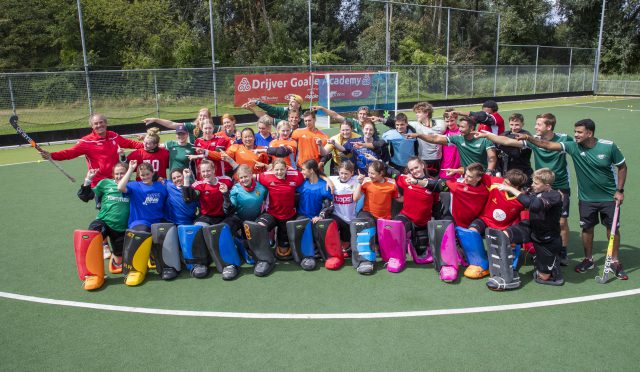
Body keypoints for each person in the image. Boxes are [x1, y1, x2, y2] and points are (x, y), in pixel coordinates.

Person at [518, 119, 627, 279]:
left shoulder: (608, 146)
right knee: (587, 228)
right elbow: (547, 145)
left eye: (579, 132)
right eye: (575, 131)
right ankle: (588, 259)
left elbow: (622, 166)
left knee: (612, 229)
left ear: (589, 133)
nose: (575, 135)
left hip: (609, 197)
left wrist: (619, 190)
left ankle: (614, 261)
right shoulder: (572, 146)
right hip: (586, 198)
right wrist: (529, 138)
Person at [474, 113, 572, 264]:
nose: (535, 127)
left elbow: (575, 148)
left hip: (560, 186)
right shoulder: (533, 140)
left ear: (549, 126)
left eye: (539, 124)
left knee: (561, 222)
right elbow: (506, 140)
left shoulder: (564, 139)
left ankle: (563, 251)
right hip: (540, 187)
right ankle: (535, 247)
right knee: (536, 216)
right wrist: (488, 136)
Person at [498, 168, 565, 286]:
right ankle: (506, 268)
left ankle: (552, 263)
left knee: (543, 277)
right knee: (504, 235)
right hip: (531, 227)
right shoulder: (534, 190)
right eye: (533, 181)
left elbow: (534, 206)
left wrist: (511, 189)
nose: (532, 185)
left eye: (536, 183)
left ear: (547, 185)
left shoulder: (555, 196)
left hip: (547, 239)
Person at [40, 113, 143, 187]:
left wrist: (147, 145)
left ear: (106, 123)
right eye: (96, 124)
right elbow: (70, 153)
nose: (99, 125)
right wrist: (52, 155)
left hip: (117, 179)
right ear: (92, 126)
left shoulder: (113, 136)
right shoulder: (86, 141)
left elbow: (130, 143)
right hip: (99, 182)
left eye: (101, 122)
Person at [182, 160, 238, 279]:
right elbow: (187, 199)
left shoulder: (226, 181)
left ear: (214, 170)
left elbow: (231, 205)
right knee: (197, 229)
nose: (206, 173)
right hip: (207, 217)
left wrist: (225, 193)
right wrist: (186, 179)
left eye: (208, 170)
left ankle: (229, 264)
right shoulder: (199, 185)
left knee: (223, 231)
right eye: (203, 171)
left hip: (224, 216)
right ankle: (201, 263)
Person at [117, 160, 169, 286]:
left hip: (157, 221)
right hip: (140, 221)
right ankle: (136, 270)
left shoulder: (161, 186)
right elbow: (120, 187)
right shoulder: (135, 186)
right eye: (142, 175)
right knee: (142, 232)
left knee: (166, 235)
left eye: (147, 174)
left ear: (152, 173)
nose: (145, 177)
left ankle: (164, 264)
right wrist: (130, 169)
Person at [77, 164, 130, 277]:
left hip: (121, 228)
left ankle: (115, 260)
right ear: (113, 175)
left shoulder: (133, 186)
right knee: (94, 232)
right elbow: (86, 197)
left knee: (119, 260)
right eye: (116, 173)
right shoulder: (105, 183)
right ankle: (94, 273)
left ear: (128, 174)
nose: (119, 176)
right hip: (104, 221)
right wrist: (88, 180)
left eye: (122, 173)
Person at [253, 159, 305, 274]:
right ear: (272, 169)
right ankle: (264, 259)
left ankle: (295, 249)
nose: (279, 172)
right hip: (271, 214)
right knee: (258, 228)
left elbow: (311, 173)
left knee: (283, 252)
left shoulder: (296, 176)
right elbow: (246, 176)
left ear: (286, 169)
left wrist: (328, 180)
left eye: (282, 169)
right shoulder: (265, 176)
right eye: (276, 170)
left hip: (288, 216)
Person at [352, 161, 402, 274]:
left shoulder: (392, 184)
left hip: (384, 220)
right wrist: (359, 183)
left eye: (372, 173)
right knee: (364, 224)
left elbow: (399, 198)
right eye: (369, 172)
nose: (369, 175)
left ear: (381, 173)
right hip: (369, 216)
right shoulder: (366, 182)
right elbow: (355, 198)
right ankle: (365, 260)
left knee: (384, 248)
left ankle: (378, 249)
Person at [406, 116, 497, 172]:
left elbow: (492, 157)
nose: (460, 129)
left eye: (462, 127)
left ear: (472, 128)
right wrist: (418, 135)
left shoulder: (484, 139)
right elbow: (436, 138)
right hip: (466, 174)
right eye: (459, 126)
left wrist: (489, 171)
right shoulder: (458, 138)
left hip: (482, 173)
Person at [326, 161, 361, 253]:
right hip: (337, 214)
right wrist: (327, 181)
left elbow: (356, 198)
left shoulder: (356, 180)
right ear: (338, 171)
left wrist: (361, 181)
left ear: (352, 173)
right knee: (331, 226)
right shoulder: (332, 179)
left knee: (347, 240)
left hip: (350, 217)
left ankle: (346, 244)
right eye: (341, 173)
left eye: (346, 174)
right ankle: (333, 248)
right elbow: (321, 174)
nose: (343, 176)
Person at [496, 113, 533, 182]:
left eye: (517, 125)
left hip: (522, 173)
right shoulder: (505, 134)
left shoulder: (526, 135)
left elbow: (515, 152)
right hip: (507, 172)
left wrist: (501, 143)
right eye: (511, 124)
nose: (513, 127)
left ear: (523, 124)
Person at [411, 102, 446, 176]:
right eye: (416, 112)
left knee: (434, 181)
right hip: (423, 159)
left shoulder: (441, 124)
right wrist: (383, 119)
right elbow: (401, 123)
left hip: (437, 159)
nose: (416, 114)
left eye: (419, 112)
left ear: (426, 113)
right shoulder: (416, 125)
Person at [143, 107, 212, 144]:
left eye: (205, 116)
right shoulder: (191, 126)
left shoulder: (214, 128)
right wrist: (155, 120)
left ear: (209, 117)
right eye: (201, 115)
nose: (202, 117)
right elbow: (172, 124)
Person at [439, 109, 461, 180]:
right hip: (445, 168)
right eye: (447, 121)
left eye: (452, 121)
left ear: (456, 119)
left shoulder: (462, 132)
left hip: (458, 169)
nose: (449, 123)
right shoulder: (443, 132)